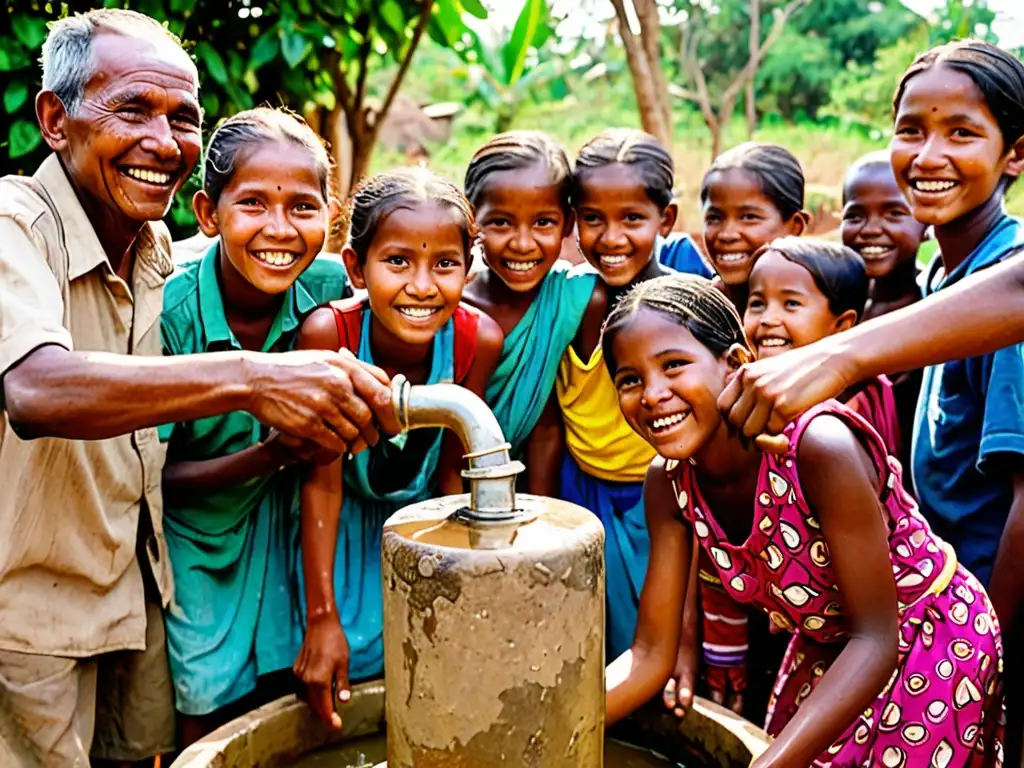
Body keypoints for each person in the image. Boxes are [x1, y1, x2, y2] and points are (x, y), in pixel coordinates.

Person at [0, 11, 389, 766]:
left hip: (139, 590)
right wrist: (255, 379)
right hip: (32, 610)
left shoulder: (150, 248)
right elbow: (35, 389)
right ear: (55, 118)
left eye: (184, 118)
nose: (164, 141)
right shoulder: (16, 224)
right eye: (133, 109)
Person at [722, 39, 1024, 763]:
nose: (927, 155)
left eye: (962, 132)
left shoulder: (1001, 292)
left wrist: (995, 650)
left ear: (1014, 155)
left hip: (974, 622)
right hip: (927, 615)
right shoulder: (945, 280)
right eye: (911, 129)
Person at [604, 274, 1003, 768]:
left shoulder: (816, 448)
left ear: (735, 365)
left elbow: (877, 638)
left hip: (926, 638)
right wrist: (553, 724)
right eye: (629, 379)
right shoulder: (668, 484)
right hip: (827, 645)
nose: (652, 394)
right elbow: (649, 655)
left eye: (673, 366)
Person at [159, 108, 352, 745]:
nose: (280, 229)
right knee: (204, 703)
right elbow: (157, 481)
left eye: (302, 206)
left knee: (290, 691)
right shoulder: (171, 312)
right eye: (252, 205)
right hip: (199, 536)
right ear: (208, 214)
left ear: (330, 215)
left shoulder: (328, 287)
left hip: (295, 520)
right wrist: (270, 453)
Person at [292, 168, 504, 729]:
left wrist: (462, 586)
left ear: (468, 268)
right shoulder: (327, 336)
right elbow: (321, 479)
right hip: (334, 536)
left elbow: (453, 474)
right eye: (398, 262)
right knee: (340, 683)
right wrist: (322, 616)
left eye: (445, 264)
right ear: (356, 267)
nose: (422, 285)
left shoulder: (475, 340)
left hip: (423, 536)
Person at [557, 128, 705, 658]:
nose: (611, 237)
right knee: (584, 640)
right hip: (581, 494)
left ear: (665, 220)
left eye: (632, 219)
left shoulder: (687, 307)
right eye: (593, 219)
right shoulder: (567, 300)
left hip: (664, 498)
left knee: (658, 636)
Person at [461, 131, 598, 495]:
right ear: (471, 220)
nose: (523, 243)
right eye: (501, 223)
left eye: (543, 223)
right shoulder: (447, 305)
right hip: (435, 494)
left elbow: (546, 424)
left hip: (527, 491)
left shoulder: (571, 299)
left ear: (568, 223)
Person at [746, 238, 900, 456]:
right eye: (757, 304)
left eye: (791, 303)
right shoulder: (749, 386)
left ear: (841, 326)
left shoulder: (858, 402)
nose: (767, 319)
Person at [840, 150, 929, 486]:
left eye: (894, 213)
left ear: (926, 226)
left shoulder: (936, 304)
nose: (871, 230)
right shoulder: (833, 307)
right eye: (855, 216)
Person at [700, 142, 809, 310]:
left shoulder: (821, 311)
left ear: (796, 226)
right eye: (714, 218)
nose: (727, 235)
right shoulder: (692, 315)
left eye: (748, 217)